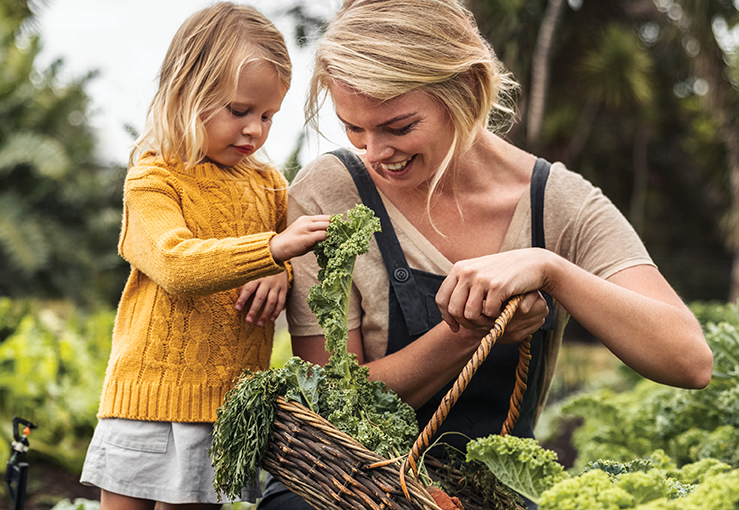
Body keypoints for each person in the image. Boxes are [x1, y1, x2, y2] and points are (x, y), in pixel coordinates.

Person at [262, 0, 713, 507]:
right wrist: (469, 332)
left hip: (488, 492)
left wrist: (551, 270)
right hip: (343, 485)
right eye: (354, 128)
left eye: (399, 127)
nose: (374, 152)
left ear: (468, 90)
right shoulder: (330, 192)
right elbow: (329, 408)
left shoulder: (557, 203)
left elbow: (688, 360)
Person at [79, 4, 334, 509]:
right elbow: (176, 263)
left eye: (267, 116)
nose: (255, 131)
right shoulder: (154, 179)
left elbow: (288, 261)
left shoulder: (269, 186)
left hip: (225, 409)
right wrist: (273, 249)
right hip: (147, 402)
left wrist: (280, 270)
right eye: (239, 111)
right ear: (186, 92)